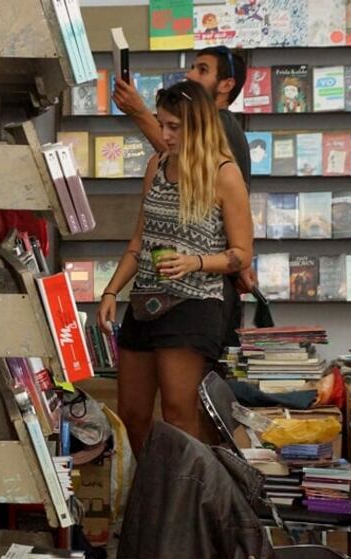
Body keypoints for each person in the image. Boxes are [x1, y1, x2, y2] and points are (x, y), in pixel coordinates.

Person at [96, 81, 253, 456]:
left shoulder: (223, 174)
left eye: (173, 127)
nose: (164, 135)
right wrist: (110, 290)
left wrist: (195, 262)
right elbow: (139, 243)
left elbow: (242, 254)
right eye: (161, 124)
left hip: (194, 304)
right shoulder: (157, 166)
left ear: (197, 124)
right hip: (144, 303)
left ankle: (194, 496)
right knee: (132, 412)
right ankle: (156, 488)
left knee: (178, 414)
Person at [114, 45, 252, 350]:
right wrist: (111, 291)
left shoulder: (222, 134)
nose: (190, 74)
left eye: (202, 70)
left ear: (226, 85)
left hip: (202, 293)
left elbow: (187, 163)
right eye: (192, 67)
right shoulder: (163, 164)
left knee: (185, 393)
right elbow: (139, 238)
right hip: (153, 293)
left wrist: (138, 110)